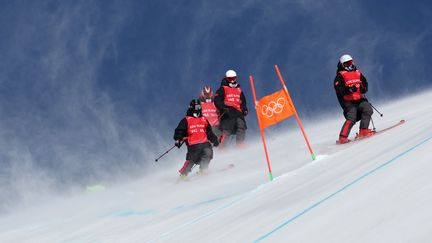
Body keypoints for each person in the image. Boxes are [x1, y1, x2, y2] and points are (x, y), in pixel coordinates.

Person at [174, 99, 219, 180]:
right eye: (197, 107)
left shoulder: (204, 119)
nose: (198, 109)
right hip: (193, 143)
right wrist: (178, 139)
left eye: (199, 107)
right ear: (192, 107)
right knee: (192, 158)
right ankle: (183, 175)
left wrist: (214, 140)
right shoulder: (187, 119)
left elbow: (209, 132)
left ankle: (203, 170)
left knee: (208, 152)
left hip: (204, 141)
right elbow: (179, 130)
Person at [334, 54, 375, 144]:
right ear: (342, 65)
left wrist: (364, 89)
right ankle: (342, 137)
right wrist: (349, 90)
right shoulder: (340, 75)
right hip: (349, 101)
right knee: (351, 118)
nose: (349, 65)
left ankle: (363, 130)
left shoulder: (357, 73)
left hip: (359, 99)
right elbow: (338, 88)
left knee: (367, 109)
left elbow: (364, 82)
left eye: (350, 63)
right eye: (346, 64)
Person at [214, 69, 248, 148]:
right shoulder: (223, 89)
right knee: (226, 130)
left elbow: (243, 102)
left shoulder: (239, 90)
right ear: (226, 79)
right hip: (228, 111)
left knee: (241, 126)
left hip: (238, 112)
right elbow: (217, 100)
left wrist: (244, 109)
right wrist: (222, 108)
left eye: (234, 78)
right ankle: (222, 147)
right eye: (230, 79)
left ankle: (240, 144)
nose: (232, 81)